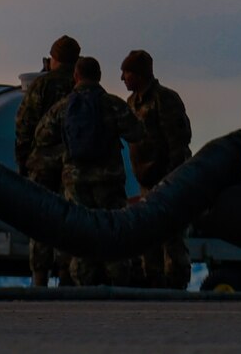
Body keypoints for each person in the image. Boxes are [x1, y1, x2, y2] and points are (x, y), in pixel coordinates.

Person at [36, 55, 146, 288]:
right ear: (99, 77)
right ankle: (116, 281)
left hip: (76, 181)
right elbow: (137, 133)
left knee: (81, 233)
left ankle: (83, 280)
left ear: (76, 76)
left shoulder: (64, 106)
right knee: (113, 230)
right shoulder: (113, 104)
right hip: (109, 181)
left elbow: (41, 136)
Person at [121, 48, 194, 290]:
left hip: (170, 179)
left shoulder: (165, 100)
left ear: (139, 75)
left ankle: (176, 284)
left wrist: (172, 177)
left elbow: (178, 142)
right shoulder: (131, 103)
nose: (123, 78)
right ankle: (152, 281)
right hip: (146, 181)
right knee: (149, 235)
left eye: (127, 73)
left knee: (171, 236)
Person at [13, 34, 80, 286]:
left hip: (41, 165)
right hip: (74, 165)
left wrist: (23, 162)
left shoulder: (41, 86)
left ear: (54, 58)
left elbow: (24, 125)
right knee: (70, 219)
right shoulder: (80, 86)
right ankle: (67, 274)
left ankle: (39, 278)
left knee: (40, 221)